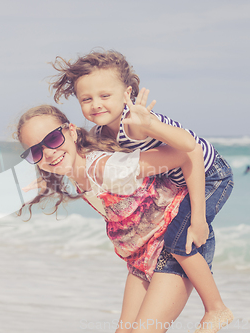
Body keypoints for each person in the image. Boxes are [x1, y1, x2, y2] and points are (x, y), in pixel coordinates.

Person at [50, 49, 234, 332]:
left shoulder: (133, 125)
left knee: (180, 240)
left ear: (128, 93)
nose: (95, 104)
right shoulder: (102, 135)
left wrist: (198, 218)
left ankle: (216, 309)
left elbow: (192, 152)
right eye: (86, 99)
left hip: (209, 174)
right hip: (180, 181)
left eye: (105, 96)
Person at [15, 104, 230, 333]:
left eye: (53, 139)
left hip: (174, 243)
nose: (48, 152)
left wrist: (198, 218)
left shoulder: (106, 167)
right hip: (141, 257)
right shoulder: (78, 174)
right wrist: (46, 181)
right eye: (36, 151)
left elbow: (187, 153)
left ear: (73, 131)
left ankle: (217, 309)